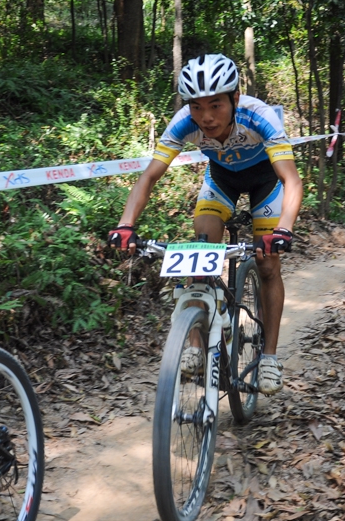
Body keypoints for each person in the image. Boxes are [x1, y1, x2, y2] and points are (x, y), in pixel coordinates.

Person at [108, 54, 304, 395]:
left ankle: (269, 357)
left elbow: (291, 180)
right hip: (221, 179)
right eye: (196, 107)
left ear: (235, 98)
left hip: (265, 183)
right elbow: (150, 176)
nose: (206, 117)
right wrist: (126, 224)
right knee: (201, 247)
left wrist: (283, 229)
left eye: (215, 105)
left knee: (268, 263)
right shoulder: (184, 122)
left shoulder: (260, 116)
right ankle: (197, 341)